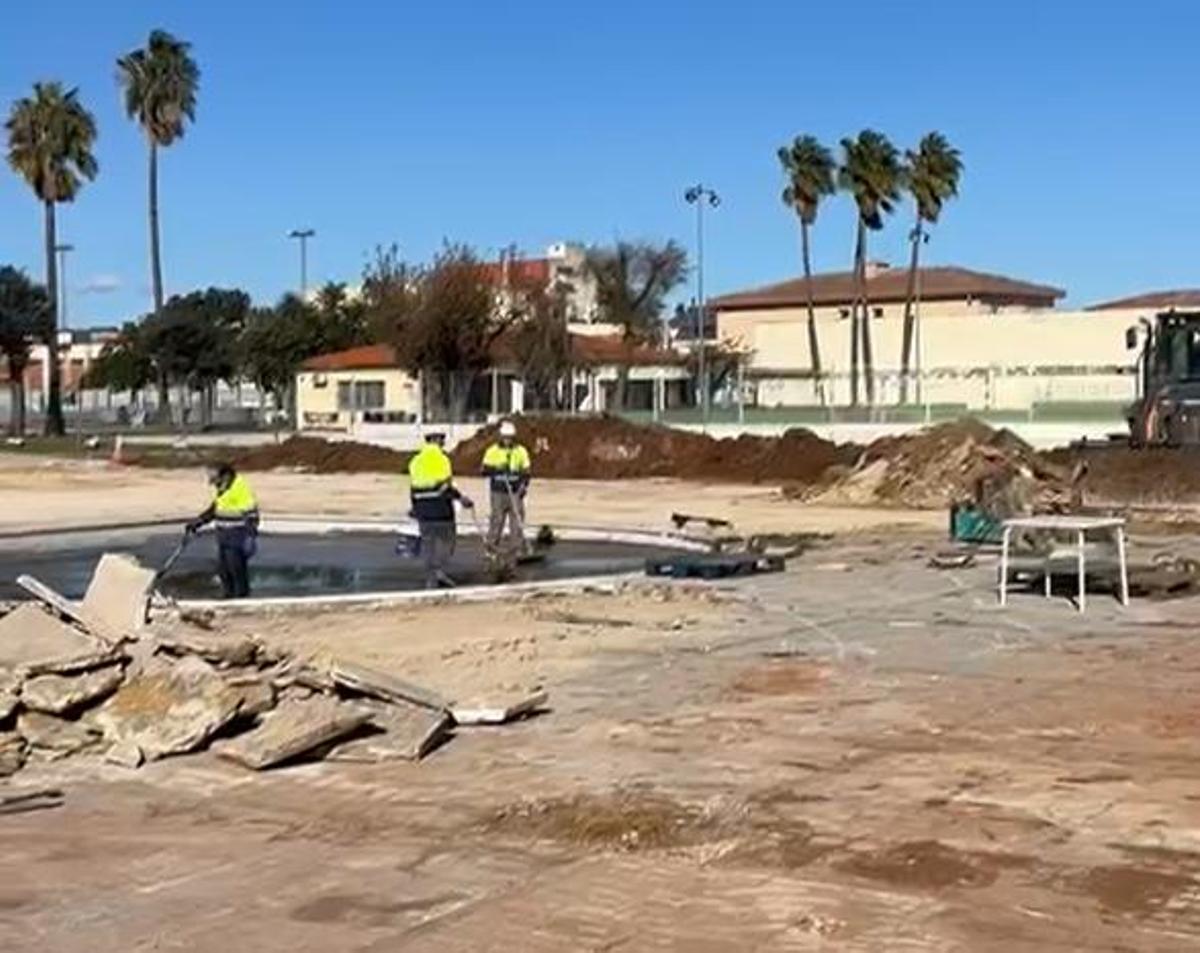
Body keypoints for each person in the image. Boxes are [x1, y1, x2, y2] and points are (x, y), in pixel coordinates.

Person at [408, 432, 473, 588]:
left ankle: (431, 579)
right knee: (447, 542)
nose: (443, 442)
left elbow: (413, 488)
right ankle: (438, 571)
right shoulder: (443, 460)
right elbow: (445, 487)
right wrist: (461, 499)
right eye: (442, 440)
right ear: (436, 440)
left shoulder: (415, 461)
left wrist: (414, 507)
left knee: (428, 544)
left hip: (422, 509)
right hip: (440, 508)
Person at [187, 462, 260, 599]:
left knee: (236, 571)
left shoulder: (240, 488)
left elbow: (252, 515)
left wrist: (251, 537)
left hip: (237, 537)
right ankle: (228, 597)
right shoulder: (223, 488)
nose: (214, 484)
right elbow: (215, 509)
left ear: (225, 476)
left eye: (216, 480)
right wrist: (198, 522)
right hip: (223, 537)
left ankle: (241, 600)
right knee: (224, 572)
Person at [482, 420, 531, 551]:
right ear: (500, 437)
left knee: (517, 521)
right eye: (505, 438)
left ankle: (516, 549)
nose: (507, 441)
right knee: (497, 520)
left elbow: (526, 471)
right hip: (498, 491)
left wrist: (524, 486)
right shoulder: (492, 451)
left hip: (515, 491)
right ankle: (491, 548)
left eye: (510, 438)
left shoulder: (520, 451)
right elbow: (484, 471)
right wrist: (497, 469)